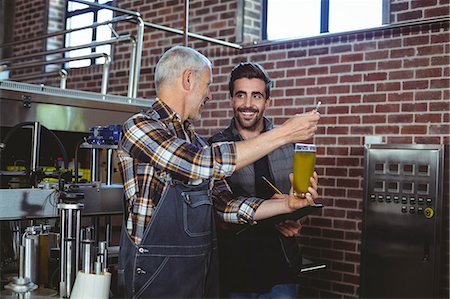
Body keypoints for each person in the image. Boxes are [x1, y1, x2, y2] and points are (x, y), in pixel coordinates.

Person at [116, 46, 320, 298]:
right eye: (207, 84)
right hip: (152, 278)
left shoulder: (198, 142)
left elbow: (226, 206)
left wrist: (287, 206)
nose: (210, 95)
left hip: (198, 276)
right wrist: (285, 133)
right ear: (188, 79)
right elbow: (197, 164)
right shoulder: (138, 128)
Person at [208, 62, 318, 298]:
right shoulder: (215, 148)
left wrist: (297, 217)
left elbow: (300, 202)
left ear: (268, 101)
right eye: (241, 95)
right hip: (233, 272)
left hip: (282, 270)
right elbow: (215, 216)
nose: (248, 104)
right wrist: (273, 216)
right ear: (231, 100)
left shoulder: (291, 146)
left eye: (256, 95)